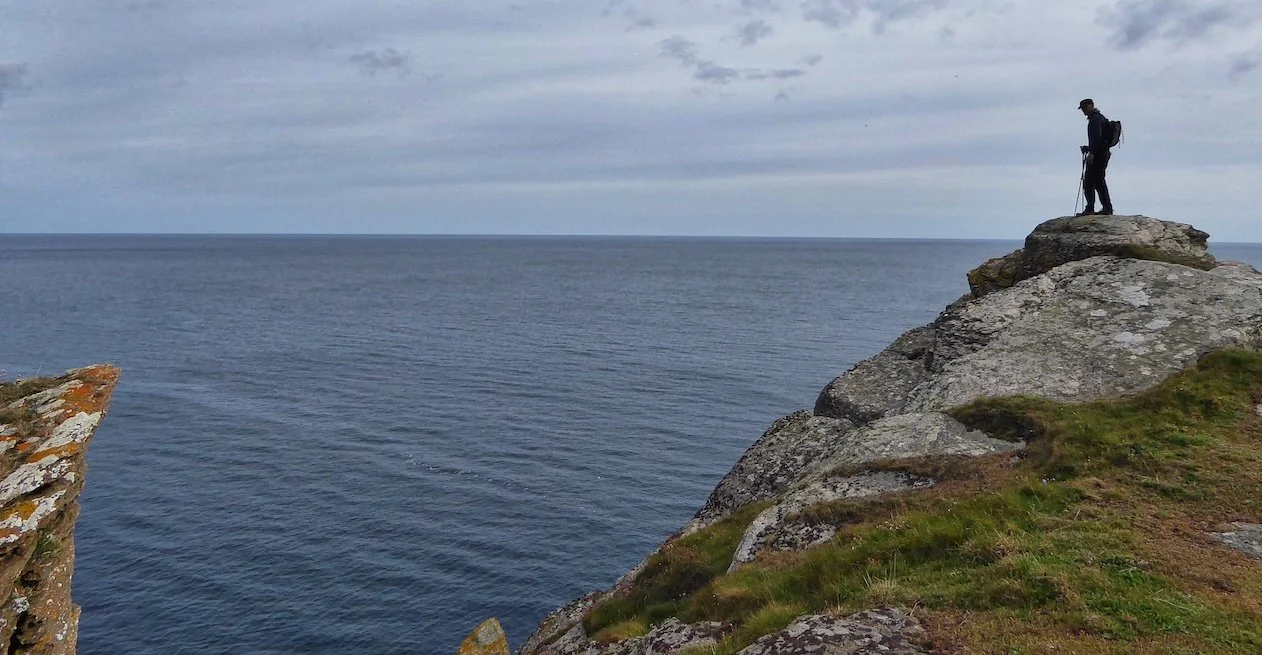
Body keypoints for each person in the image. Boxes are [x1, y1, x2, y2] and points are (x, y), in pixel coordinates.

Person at [1076, 98, 1113, 216]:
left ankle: (1091, 208)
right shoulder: (1099, 118)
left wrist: (1091, 152)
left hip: (1098, 155)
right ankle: (1107, 208)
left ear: (1090, 105)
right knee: (1098, 181)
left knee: (1089, 181)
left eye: (1084, 108)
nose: (1083, 111)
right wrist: (1088, 148)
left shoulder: (1096, 119)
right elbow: (1099, 139)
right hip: (1103, 153)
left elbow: (1097, 138)